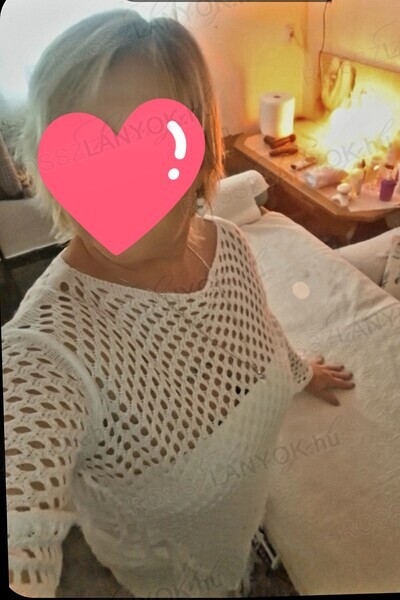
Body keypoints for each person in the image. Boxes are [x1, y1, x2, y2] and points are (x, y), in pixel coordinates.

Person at [2, 9, 354, 598]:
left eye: (149, 141)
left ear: (201, 150)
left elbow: (261, 332)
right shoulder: (43, 353)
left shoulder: (229, 244)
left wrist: (299, 371)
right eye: (82, 148)